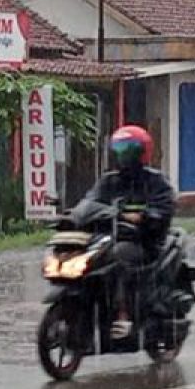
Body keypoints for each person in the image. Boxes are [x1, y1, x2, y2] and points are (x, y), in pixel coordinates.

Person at [75, 125, 175, 339]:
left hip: (144, 242)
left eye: (129, 150)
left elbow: (163, 209)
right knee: (85, 257)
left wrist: (145, 218)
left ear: (142, 152)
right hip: (108, 238)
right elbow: (90, 201)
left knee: (117, 256)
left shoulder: (155, 181)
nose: (123, 155)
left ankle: (123, 314)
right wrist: (73, 216)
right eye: (119, 149)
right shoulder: (108, 181)